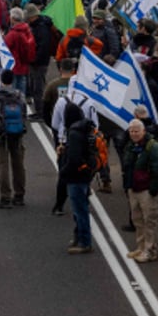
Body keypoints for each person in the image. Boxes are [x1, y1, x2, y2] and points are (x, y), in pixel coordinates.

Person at [121, 119, 158, 263]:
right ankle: (141, 247)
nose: (134, 133)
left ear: (143, 131)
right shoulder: (131, 146)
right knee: (138, 220)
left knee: (149, 221)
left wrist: (153, 189)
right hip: (133, 188)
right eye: (131, 131)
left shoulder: (153, 147)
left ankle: (150, 250)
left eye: (136, 131)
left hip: (146, 190)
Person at [0, 69, 28, 209]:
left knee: (3, 164)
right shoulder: (20, 96)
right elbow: (24, 114)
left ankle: (5, 196)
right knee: (18, 163)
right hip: (17, 133)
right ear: (12, 80)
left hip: (1, 135)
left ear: (1, 80)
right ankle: (19, 194)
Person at [60, 102, 95, 254]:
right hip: (85, 175)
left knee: (79, 210)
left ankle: (84, 241)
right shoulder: (85, 130)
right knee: (81, 208)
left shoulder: (73, 133)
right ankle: (79, 237)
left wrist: (64, 171)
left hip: (76, 177)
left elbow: (74, 158)